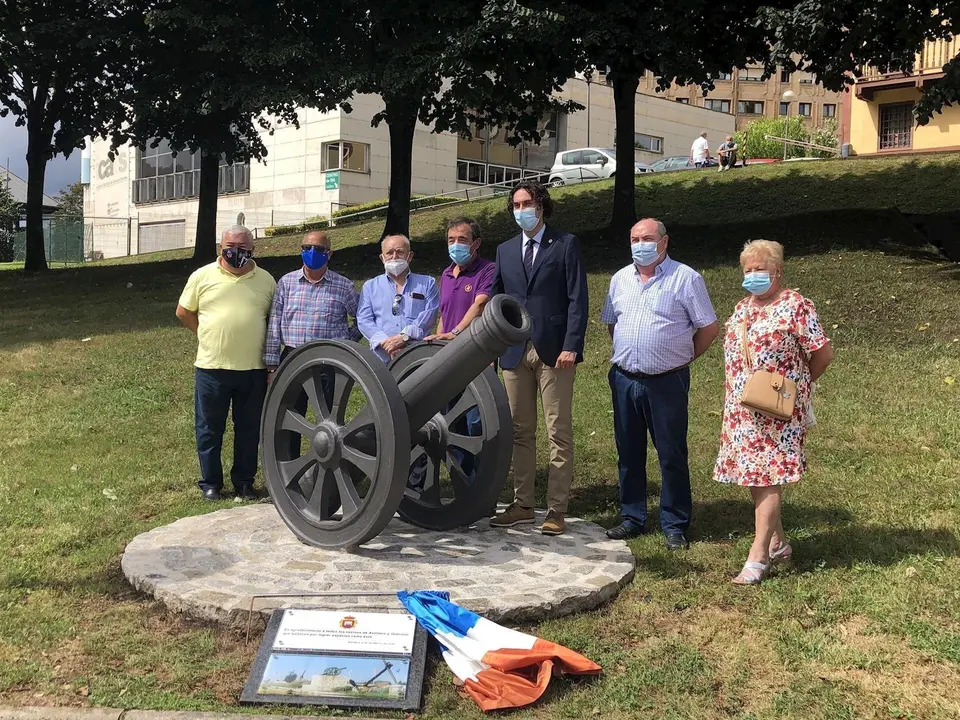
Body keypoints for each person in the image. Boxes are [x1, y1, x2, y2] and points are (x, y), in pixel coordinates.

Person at [714, 239, 834, 584]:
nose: (752, 276)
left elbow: (822, 354)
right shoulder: (742, 308)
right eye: (748, 270)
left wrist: (796, 387)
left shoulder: (796, 306)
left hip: (778, 411)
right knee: (754, 475)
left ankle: (759, 554)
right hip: (743, 410)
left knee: (768, 476)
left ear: (777, 271)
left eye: (759, 270)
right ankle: (779, 542)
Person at [601, 218, 719, 550]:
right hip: (625, 379)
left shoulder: (686, 278)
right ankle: (632, 517)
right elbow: (612, 324)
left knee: (670, 453)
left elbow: (709, 328)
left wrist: (682, 358)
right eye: (634, 238)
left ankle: (675, 523)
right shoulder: (619, 279)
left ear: (664, 242)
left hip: (667, 382)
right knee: (628, 452)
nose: (640, 244)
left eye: (647, 238)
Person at [489, 180, 588, 536]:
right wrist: (492, 345)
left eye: (527, 203)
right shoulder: (504, 250)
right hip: (515, 351)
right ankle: (523, 504)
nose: (521, 210)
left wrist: (572, 344)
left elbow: (578, 298)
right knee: (520, 431)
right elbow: (498, 302)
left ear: (541, 206)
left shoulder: (565, 244)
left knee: (557, 431)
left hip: (555, 350)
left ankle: (556, 509)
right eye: (515, 205)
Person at [175, 225, 277, 502]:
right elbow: (183, 312)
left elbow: (273, 320)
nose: (235, 253)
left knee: (248, 429)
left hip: (253, 370)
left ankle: (244, 482)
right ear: (221, 248)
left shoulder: (266, 280)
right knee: (209, 429)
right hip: (211, 368)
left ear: (252, 250)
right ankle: (210, 484)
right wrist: (205, 334)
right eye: (230, 247)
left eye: (242, 249)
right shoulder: (202, 276)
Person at [264, 229, 360, 456]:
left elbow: (362, 319)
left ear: (329, 253)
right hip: (293, 358)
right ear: (301, 251)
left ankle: (326, 475)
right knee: (289, 416)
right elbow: (275, 321)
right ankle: (289, 470)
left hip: (329, 361)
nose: (312, 252)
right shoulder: (287, 283)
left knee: (329, 421)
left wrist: (345, 342)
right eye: (307, 248)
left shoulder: (343, 285)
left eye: (318, 249)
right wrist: (271, 364)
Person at [424, 217, 496, 477]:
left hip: (477, 356)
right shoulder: (445, 274)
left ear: (475, 243)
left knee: (477, 422)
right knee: (452, 423)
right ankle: (460, 481)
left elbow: (479, 306)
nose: (456, 245)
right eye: (451, 240)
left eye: (462, 240)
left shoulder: (487, 270)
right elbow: (444, 313)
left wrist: (455, 333)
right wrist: (440, 338)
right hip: (449, 357)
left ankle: (481, 485)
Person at [357, 233, 439, 363]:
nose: (394, 257)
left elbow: (429, 315)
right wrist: (386, 344)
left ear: (410, 256)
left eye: (400, 252)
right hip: (382, 357)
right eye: (389, 253)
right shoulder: (370, 287)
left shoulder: (427, 283)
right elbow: (364, 320)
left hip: (418, 354)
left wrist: (404, 337)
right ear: (382, 258)